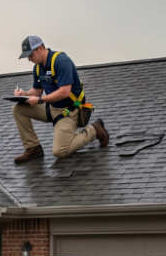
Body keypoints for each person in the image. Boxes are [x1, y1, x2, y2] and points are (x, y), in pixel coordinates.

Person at [11, 35, 109, 163]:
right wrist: (25, 94)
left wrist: (40, 100)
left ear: (40, 48)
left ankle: (94, 130)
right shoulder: (38, 67)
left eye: (30, 55)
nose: (29, 59)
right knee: (18, 109)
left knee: (59, 152)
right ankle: (33, 148)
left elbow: (65, 92)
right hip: (52, 106)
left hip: (70, 110)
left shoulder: (61, 61)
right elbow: (37, 91)